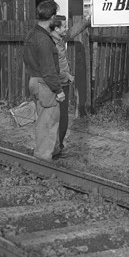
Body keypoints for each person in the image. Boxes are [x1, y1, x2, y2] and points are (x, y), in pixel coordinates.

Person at [23, 0, 65, 161]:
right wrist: (58, 90)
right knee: (47, 122)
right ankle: (42, 160)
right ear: (53, 17)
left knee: (43, 118)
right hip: (45, 83)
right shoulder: (44, 40)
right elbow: (48, 70)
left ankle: (52, 152)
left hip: (34, 80)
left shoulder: (31, 34)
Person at [50, 16, 74, 155]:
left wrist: (89, 19)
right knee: (60, 118)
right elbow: (51, 68)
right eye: (64, 26)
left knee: (62, 118)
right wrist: (67, 76)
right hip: (58, 84)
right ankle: (55, 149)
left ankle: (57, 147)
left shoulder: (60, 39)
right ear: (57, 28)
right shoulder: (51, 44)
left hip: (63, 83)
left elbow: (72, 32)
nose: (67, 29)